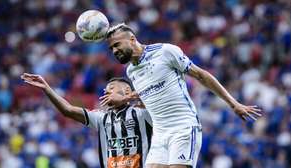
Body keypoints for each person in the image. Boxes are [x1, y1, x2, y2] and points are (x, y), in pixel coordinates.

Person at [105, 23, 262, 168]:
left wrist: (234, 104)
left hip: (183, 127)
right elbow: (152, 95)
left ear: (132, 39)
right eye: (111, 48)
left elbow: (201, 75)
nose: (114, 51)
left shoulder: (164, 51)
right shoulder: (131, 71)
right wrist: (127, 100)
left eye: (117, 44)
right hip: (160, 134)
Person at [21, 73, 152, 168]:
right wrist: (46, 88)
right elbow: (68, 110)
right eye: (106, 89)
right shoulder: (101, 117)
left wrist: (126, 98)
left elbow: (160, 94)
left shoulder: (142, 113)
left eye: (111, 88)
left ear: (127, 90)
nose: (106, 91)